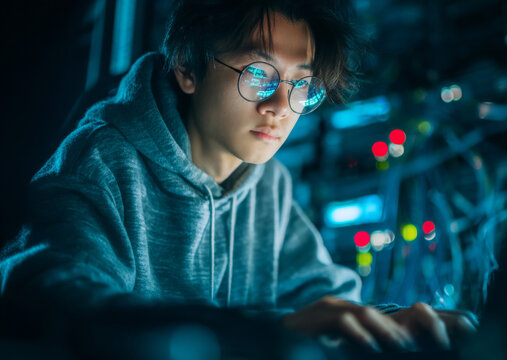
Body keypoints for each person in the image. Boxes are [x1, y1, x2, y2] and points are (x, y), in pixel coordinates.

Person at [0, 0, 476, 353]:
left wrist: (407, 323)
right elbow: (51, 300)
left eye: (300, 86)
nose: (277, 109)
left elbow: (324, 305)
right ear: (188, 67)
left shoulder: (265, 182)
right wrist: (264, 334)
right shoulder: (101, 161)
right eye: (258, 74)